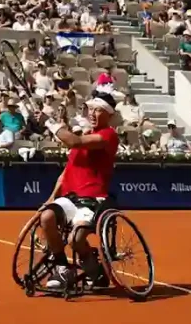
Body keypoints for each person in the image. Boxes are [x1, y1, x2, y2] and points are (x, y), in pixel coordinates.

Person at [38, 96, 119, 291]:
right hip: (71, 197)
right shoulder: (85, 137)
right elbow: (65, 173)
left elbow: (74, 141)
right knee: (47, 217)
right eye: (90, 109)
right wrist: (51, 198)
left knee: (76, 239)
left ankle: (95, 270)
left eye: (98, 110)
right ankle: (62, 267)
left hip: (94, 199)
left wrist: (50, 123)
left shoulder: (108, 136)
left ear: (109, 114)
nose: (92, 113)